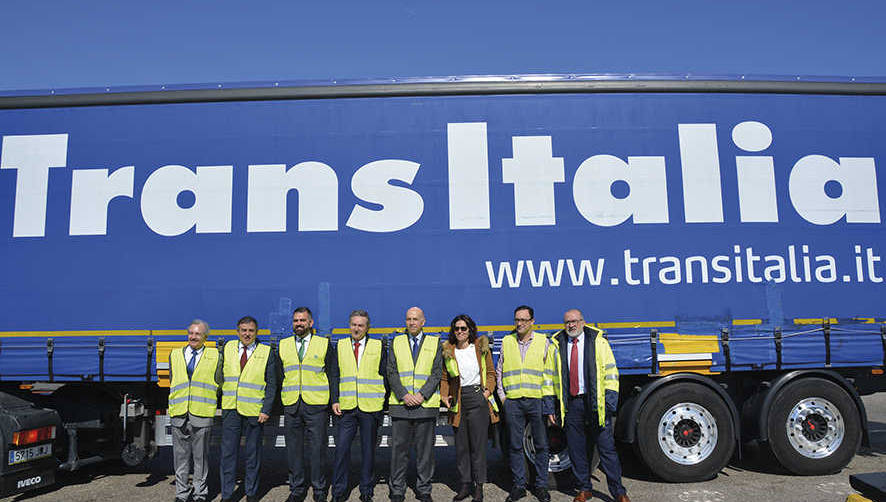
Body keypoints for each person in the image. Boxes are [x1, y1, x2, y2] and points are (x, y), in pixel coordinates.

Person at [554, 309, 630, 502]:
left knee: (607, 449)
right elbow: (550, 377)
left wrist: (610, 402)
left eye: (575, 321)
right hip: (571, 404)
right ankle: (584, 489)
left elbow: (611, 373)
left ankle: (619, 492)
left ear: (583, 322)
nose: (571, 325)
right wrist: (550, 406)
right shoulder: (558, 344)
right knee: (576, 450)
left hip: (595, 403)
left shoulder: (598, 342)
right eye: (567, 322)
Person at [496, 305, 558, 502]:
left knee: (541, 445)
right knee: (514, 446)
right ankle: (519, 486)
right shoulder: (507, 341)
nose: (520, 323)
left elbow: (551, 373)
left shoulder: (544, 342)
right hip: (513, 401)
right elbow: (499, 371)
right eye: (517, 320)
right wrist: (503, 397)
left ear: (532, 321)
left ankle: (541, 486)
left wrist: (548, 401)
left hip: (536, 400)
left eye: (524, 320)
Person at [279, 306, 339, 502]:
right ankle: (296, 489)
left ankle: (319, 490)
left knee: (317, 451)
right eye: (296, 320)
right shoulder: (283, 344)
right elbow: (280, 375)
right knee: (293, 451)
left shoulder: (323, 344)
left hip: (316, 406)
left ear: (310, 323)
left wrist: (333, 401)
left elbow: (332, 374)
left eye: (302, 320)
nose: (299, 324)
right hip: (292, 405)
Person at [387, 306, 443, 502]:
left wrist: (421, 395)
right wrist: (404, 395)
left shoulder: (435, 343)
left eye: (415, 319)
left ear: (423, 322)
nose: (411, 322)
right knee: (398, 453)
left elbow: (437, 373)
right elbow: (391, 372)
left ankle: (424, 489)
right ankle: (397, 490)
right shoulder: (396, 342)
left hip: (424, 406)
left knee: (425, 453)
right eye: (409, 319)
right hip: (401, 406)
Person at [440, 314, 499, 502]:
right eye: (456, 328)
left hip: (477, 398)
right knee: (461, 446)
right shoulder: (449, 350)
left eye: (463, 328)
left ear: (470, 329)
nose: (459, 332)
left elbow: (490, 373)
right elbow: (444, 378)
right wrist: (443, 395)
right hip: (458, 400)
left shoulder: (480, 348)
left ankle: (479, 486)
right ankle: (465, 485)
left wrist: (487, 393)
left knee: (478, 447)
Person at [330, 309, 387, 502]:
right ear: (349, 325)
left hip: (370, 408)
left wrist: (381, 403)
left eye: (361, 325)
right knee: (341, 450)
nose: (356, 328)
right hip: (346, 407)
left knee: (368, 451)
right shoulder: (341, 346)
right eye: (354, 324)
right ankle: (338, 492)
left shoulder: (378, 346)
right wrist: (335, 399)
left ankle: (366, 490)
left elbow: (385, 376)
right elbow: (335, 375)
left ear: (367, 327)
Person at [219, 316, 278, 502]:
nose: (247, 334)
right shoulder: (227, 348)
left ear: (256, 332)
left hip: (255, 411)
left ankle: (251, 493)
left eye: (251, 330)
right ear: (237, 332)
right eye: (243, 330)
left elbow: (272, 384)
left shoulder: (266, 351)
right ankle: (227, 495)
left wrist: (266, 409)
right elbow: (219, 375)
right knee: (228, 455)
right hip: (231, 409)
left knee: (253, 455)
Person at [169, 319, 220, 502]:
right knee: (180, 459)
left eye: (198, 334)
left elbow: (219, 382)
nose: (193, 337)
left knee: (201, 459)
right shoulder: (175, 355)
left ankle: (200, 494)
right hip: (179, 413)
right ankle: (181, 495)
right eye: (191, 333)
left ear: (205, 336)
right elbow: (174, 380)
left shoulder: (215, 356)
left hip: (202, 413)